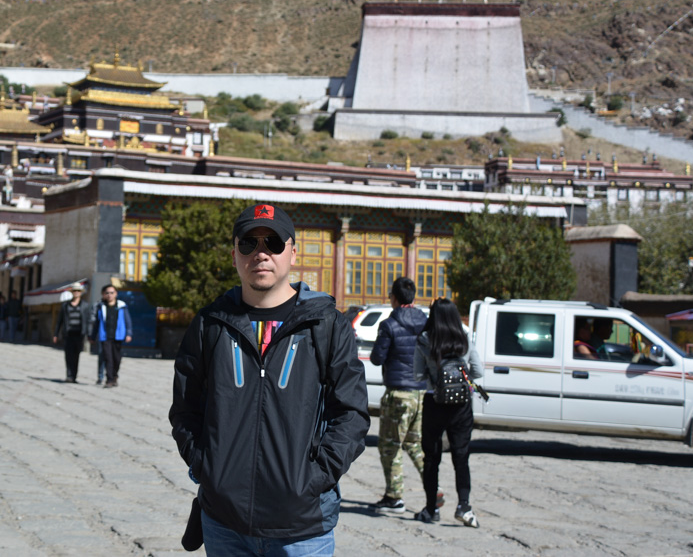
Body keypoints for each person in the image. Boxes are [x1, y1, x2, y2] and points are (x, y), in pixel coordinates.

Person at [169, 203, 370, 555]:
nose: (260, 254)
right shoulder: (211, 324)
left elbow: (351, 414)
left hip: (301, 526)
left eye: (273, 243)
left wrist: (314, 479)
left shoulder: (326, 324)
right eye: (249, 243)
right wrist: (207, 468)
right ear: (234, 254)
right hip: (224, 523)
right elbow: (186, 409)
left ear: (292, 253)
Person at [413, 297, 484, 528]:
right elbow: (478, 371)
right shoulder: (464, 337)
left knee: (431, 458)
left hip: (434, 402)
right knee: (461, 456)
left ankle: (431, 508)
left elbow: (417, 375)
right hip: (461, 405)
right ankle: (464, 506)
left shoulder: (425, 339)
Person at [370, 276, 438, 513]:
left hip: (398, 392)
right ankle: (434, 487)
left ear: (394, 297)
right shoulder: (426, 323)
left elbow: (377, 357)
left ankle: (394, 497)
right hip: (421, 393)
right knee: (414, 443)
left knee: (390, 446)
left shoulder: (389, 324)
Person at [91, 285, 132, 388]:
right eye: (107, 293)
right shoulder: (101, 306)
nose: (109, 295)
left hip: (118, 336)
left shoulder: (122, 306)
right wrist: (93, 336)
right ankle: (109, 380)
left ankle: (114, 377)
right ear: (104, 294)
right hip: (105, 336)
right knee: (108, 358)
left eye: (112, 293)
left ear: (116, 294)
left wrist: (129, 333)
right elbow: (97, 323)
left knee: (117, 359)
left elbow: (127, 321)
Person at [52, 282, 90, 383]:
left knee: (76, 355)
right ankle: (69, 375)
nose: (76, 292)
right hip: (68, 334)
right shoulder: (65, 306)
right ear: (72, 292)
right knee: (68, 355)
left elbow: (88, 321)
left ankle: (74, 376)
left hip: (79, 334)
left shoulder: (85, 305)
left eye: (78, 291)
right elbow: (59, 321)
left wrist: (89, 334)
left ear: (81, 292)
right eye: (74, 291)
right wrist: (56, 334)